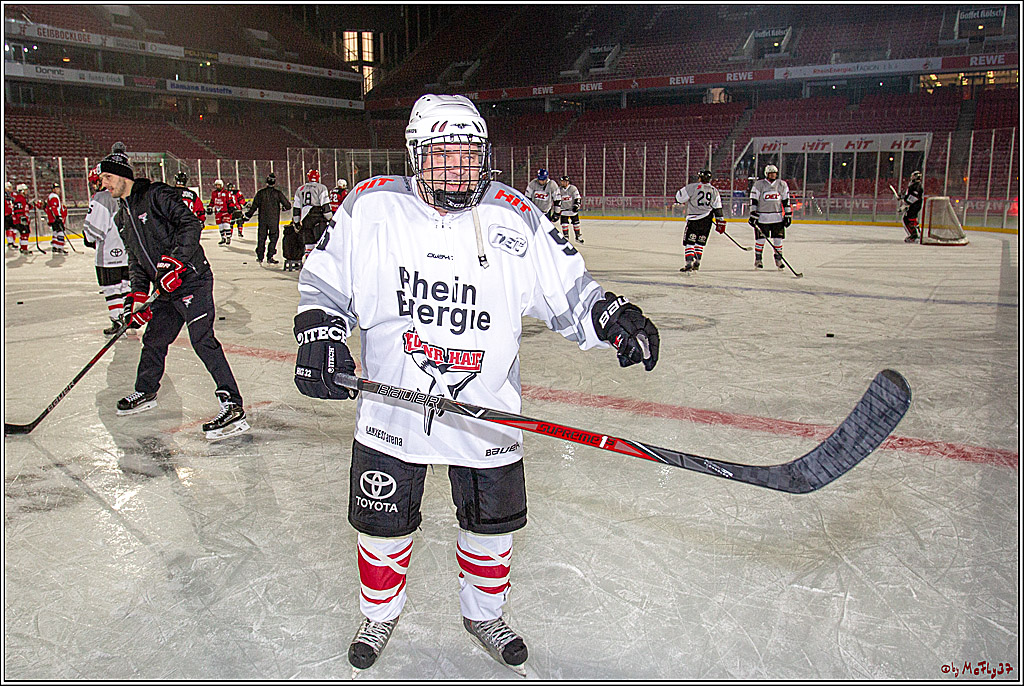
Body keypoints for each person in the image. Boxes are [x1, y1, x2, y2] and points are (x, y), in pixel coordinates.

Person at [292, 94, 659, 674]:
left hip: (486, 413)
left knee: (493, 528)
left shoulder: (515, 215)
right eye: (443, 155)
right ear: (415, 155)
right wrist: (319, 334)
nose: (457, 169)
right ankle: (379, 612)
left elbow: (570, 293)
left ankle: (483, 613)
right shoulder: (370, 208)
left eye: (469, 155)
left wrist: (611, 318)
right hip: (393, 415)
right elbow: (326, 282)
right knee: (381, 530)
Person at [98, 144, 249, 441]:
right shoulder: (122, 217)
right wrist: (137, 297)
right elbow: (137, 261)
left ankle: (232, 404)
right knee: (154, 339)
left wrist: (175, 261)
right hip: (166, 291)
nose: (102, 184)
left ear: (121, 175)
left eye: (106, 178)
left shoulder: (157, 195)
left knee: (202, 340)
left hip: (192, 280)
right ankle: (146, 390)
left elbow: (190, 224)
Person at [82, 165, 131, 335]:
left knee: (111, 287)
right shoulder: (125, 194)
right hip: (128, 252)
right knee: (126, 286)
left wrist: (87, 238)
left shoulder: (101, 198)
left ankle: (118, 320)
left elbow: (93, 231)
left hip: (109, 253)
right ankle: (128, 319)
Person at [674, 169, 726, 272]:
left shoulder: (692, 187)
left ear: (700, 178)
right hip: (707, 220)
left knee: (690, 241)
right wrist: (720, 221)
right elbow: (718, 208)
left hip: (694, 219)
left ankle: (689, 264)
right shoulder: (714, 191)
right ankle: (697, 262)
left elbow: (679, 198)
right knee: (700, 241)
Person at [748, 164, 791, 270]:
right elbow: (754, 200)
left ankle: (778, 259)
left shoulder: (782, 184)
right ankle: (758, 260)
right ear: (766, 174)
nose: (773, 175)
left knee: (778, 240)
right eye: (771, 173)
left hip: (777, 218)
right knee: (760, 240)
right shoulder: (759, 184)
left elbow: (786, 200)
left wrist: (788, 214)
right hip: (762, 218)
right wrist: (753, 213)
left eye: (774, 173)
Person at [245, 172, 291, 265]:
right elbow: (288, 205)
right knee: (273, 238)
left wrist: (247, 216)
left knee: (261, 238)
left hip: (262, 220)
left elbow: (254, 207)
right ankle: (270, 256)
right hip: (273, 220)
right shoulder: (278, 193)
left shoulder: (260, 193)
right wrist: (283, 208)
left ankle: (260, 256)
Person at [292, 168, 332, 261]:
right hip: (318, 218)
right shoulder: (322, 188)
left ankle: (307, 262)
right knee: (320, 242)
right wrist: (330, 219)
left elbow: (297, 207)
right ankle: (318, 264)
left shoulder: (300, 189)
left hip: (306, 217)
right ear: (318, 177)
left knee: (308, 243)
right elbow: (325, 205)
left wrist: (297, 222)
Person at [42, 182, 69, 254]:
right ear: (53, 190)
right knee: (60, 232)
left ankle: (55, 246)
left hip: (52, 218)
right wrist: (57, 216)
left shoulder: (51, 196)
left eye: (58, 188)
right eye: (56, 189)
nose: (58, 190)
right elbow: (53, 208)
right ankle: (60, 247)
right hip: (55, 218)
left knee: (55, 232)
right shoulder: (54, 197)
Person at [556, 175, 583, 243]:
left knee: (576, 224)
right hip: (563, 210)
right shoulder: (559, 190)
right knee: (564, 224)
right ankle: (566, 237)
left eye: (564, 181)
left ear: (567, 182)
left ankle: (577, 236)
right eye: (562, 181)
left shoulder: (573, 188)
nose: (562, 183)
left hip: (572, 209)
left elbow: (577, 198)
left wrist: (576, 205)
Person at [208, 179, 235, 246]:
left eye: (219, 185)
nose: (217, 186)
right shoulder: (214, 193)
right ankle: (223, 238)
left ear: (221, 185)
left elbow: (230, 201)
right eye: (216, 185)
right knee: (220, 226)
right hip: (218, 212)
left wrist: (231, 207)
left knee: (226, 225)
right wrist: (210, 207)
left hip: (225, 211)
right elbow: (212, 202)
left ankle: (228, 237)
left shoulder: (226, 193)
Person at [901, 170, 923, 243]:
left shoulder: (917, 186)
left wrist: (906, 203)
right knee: (911, 219)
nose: (911, 177)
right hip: (914, 205)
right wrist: (902, 197)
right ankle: (915, 234)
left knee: (908, 219)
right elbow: (909, 195)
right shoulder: (913, 185)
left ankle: (914, 236)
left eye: (913, 176)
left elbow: (914, 197)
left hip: (915, 206)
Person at [11, 183, 31, 254]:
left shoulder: (22, 199)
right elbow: (18, 210)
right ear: (21, 191)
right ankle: (24, 248)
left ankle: (23, 248)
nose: (26, 192)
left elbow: (25, 208)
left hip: (23, 220)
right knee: (24, 234)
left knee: (26, 233)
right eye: (25, 190)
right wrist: (22, 218)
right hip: (21, 220)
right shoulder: (19, 199)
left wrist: (30, 205)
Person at [5, 181, 14, 249]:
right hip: (6, 214)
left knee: (12, 229)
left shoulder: (9, 195)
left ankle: (11, 242)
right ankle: (10, 242)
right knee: (8, 228)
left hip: (10, 214)